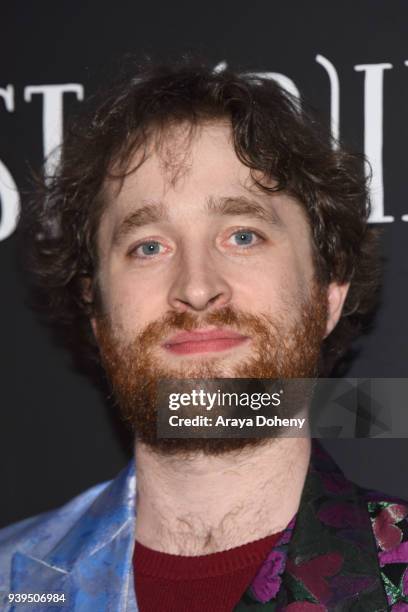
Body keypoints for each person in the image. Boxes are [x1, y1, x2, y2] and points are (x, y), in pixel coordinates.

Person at [0, 59, 407, 611]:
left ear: (328, 292)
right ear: (96, 310)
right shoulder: (13, 580)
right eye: (148, 246)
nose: (196, 287)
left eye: (242, 236)